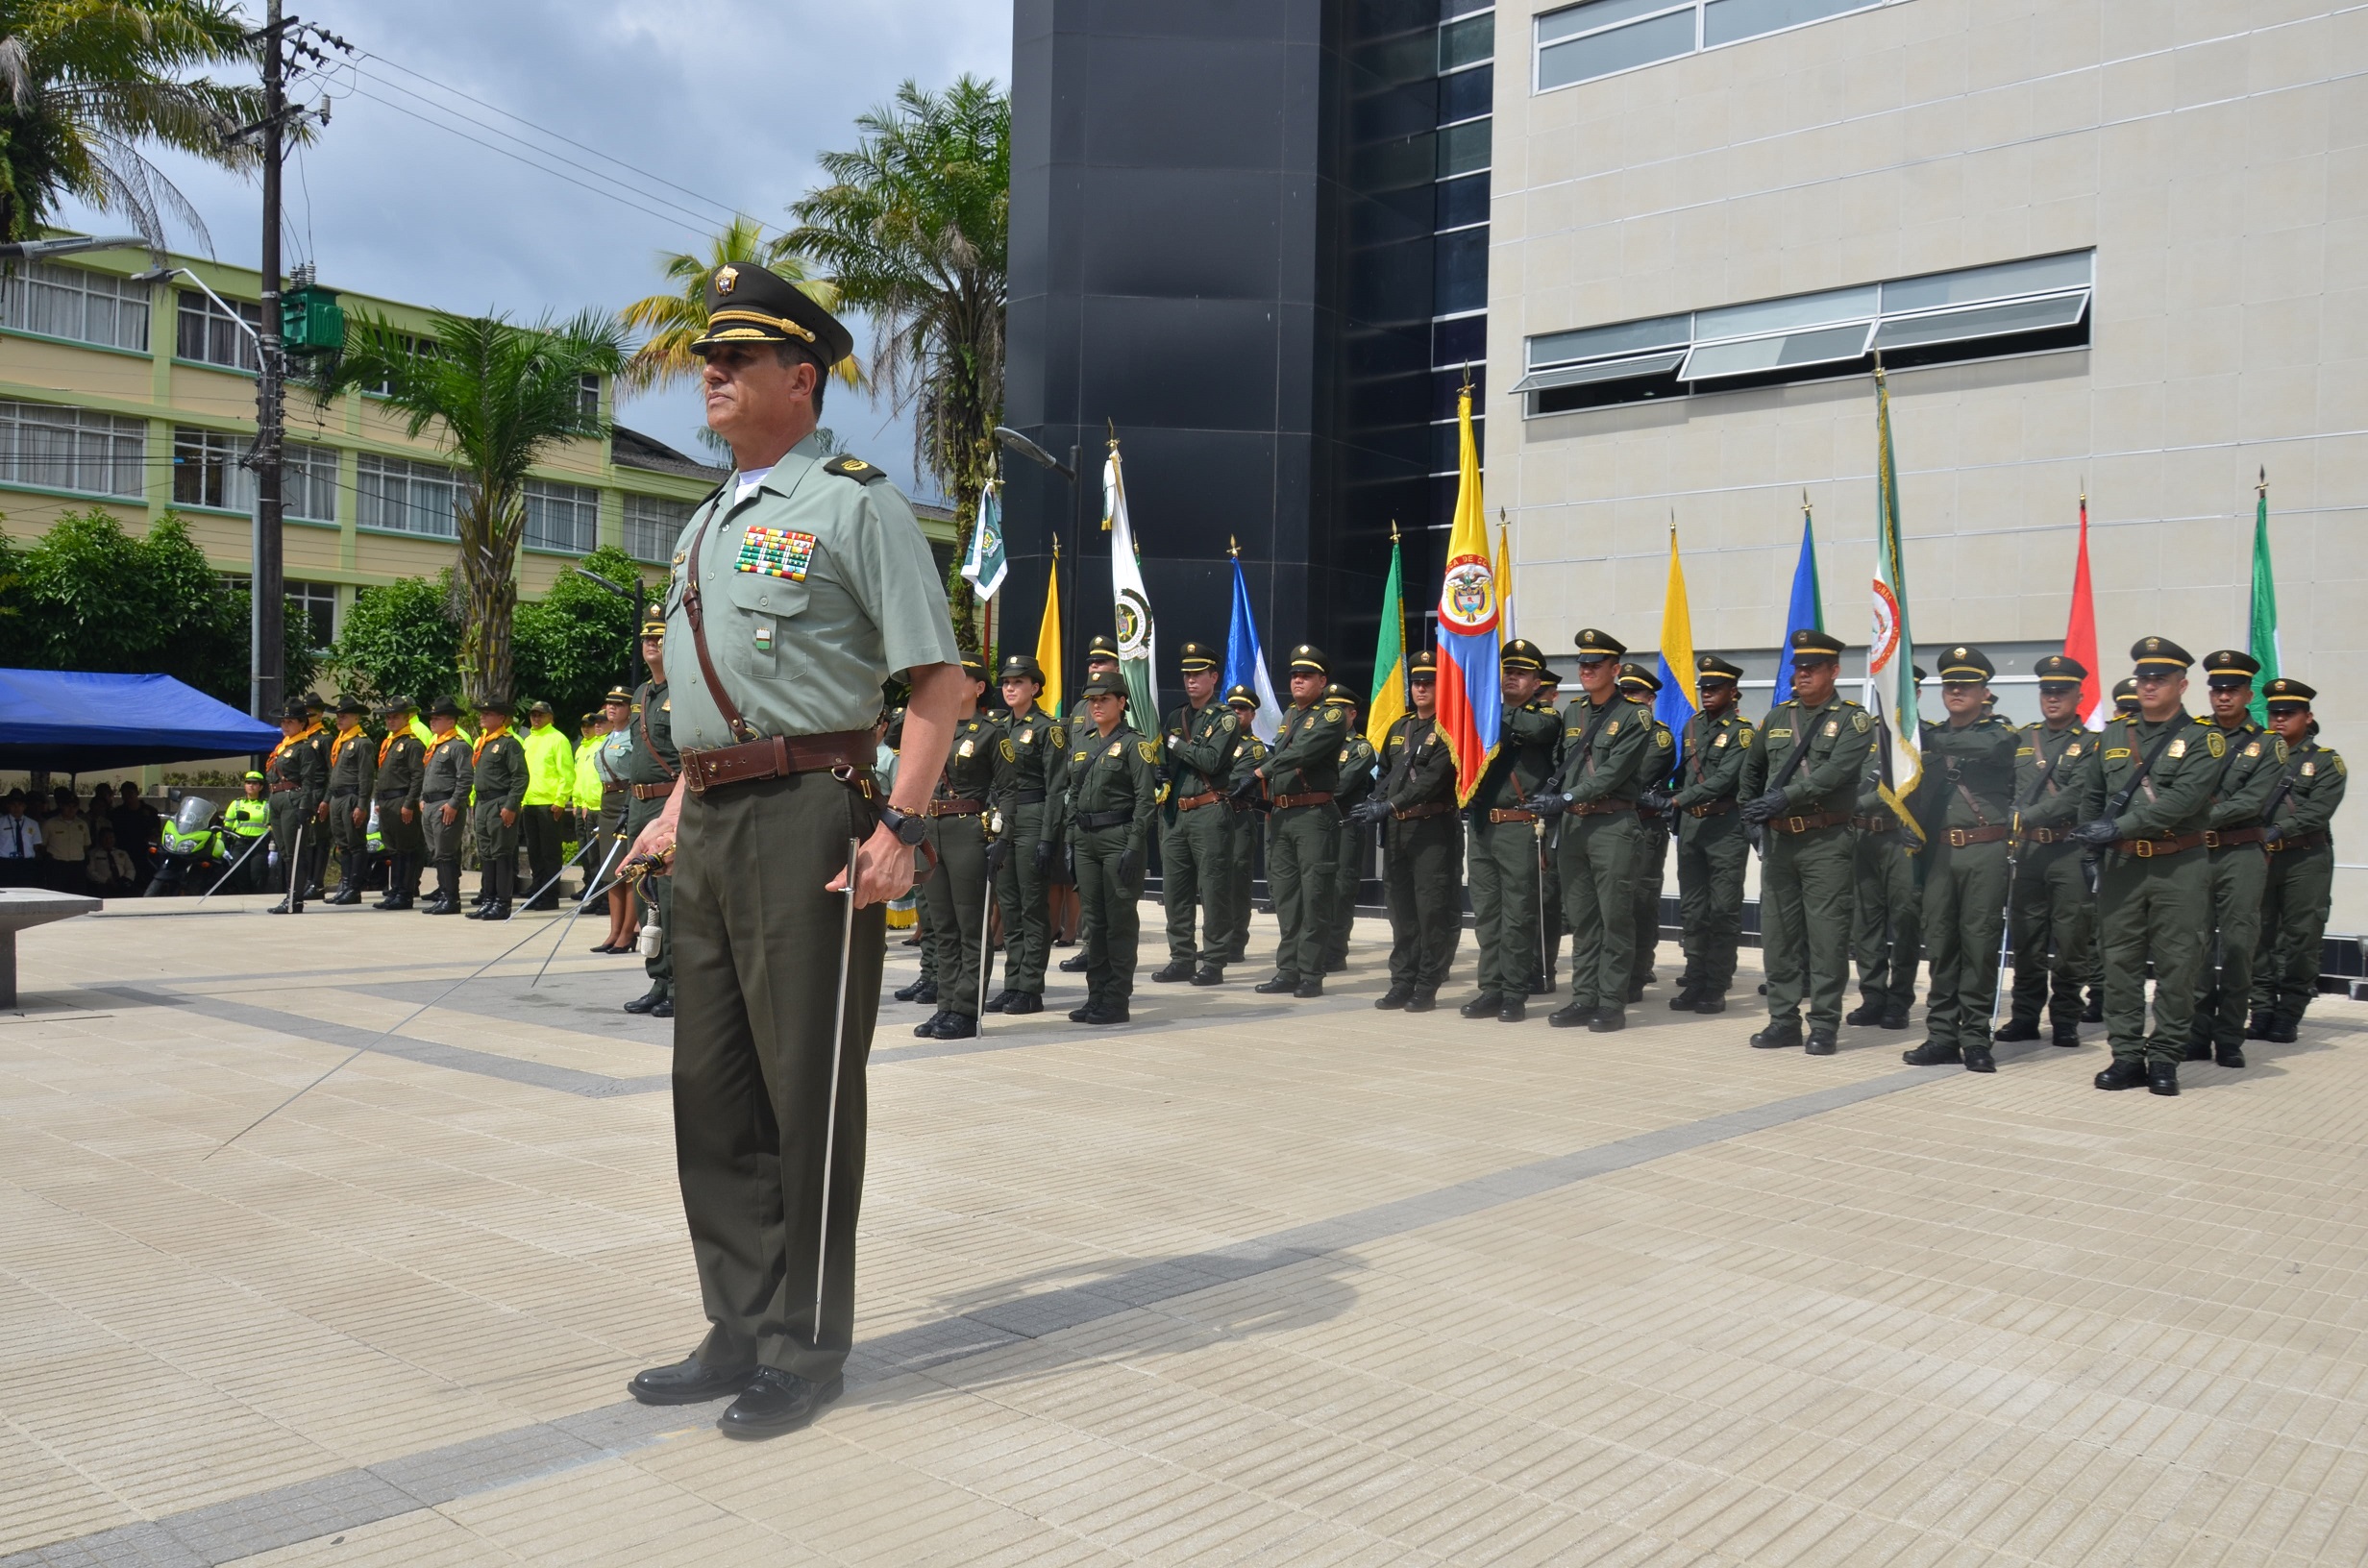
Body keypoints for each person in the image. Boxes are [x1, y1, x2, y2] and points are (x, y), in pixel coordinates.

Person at [620, 260, 963, 1440]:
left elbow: (938, 684)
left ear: (800, 379)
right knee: (710, 1091)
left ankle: (805, 1345)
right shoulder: (704, 520)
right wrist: (677, 801)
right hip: (712, 821)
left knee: (803, 1087)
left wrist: (902, 825)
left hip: (814, 809)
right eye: (708, 359)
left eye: (738, 358)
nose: (710, 374)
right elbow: (717, 697)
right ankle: (736, 1322)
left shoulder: (853, 505)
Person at [2067, 637, 2219, 1096]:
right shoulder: (2115, 735)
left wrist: (2117, 827)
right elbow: (2093, 795)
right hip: (2122, 866)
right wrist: (2089, 850)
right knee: (2120, 964)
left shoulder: (2204, 739)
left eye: (2160, 679)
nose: (2149, 686)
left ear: (2182, 685)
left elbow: (2181, 801)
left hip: (2179, 865)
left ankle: (2166, 1057)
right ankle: (2127, 1055)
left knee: (2178, 966)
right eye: (2143, 678)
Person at [1743, 628, 1876, 1056]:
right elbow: (1752, 768)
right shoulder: (1777, 717)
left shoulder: (1854, 720)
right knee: (1778, 935)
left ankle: (1823, 1024)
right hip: (1779, 842)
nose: (1802, 674)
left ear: (1834, 671)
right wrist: (1748, 813)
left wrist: (1785, 797)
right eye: (1798, 667)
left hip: (1825, 841)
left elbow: (1834, 774)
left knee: (1826, 937)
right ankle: (1783, 1020)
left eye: (1812, 668)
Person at [1898, 647, 2019, 1073]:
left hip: (1983, 850)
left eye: (1966, 685)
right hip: (1939, 853)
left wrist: (1925, 739)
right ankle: (1942, 1036)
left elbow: (1989, 748)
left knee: (1979, 946)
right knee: (1942, 946)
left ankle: (1976, 1038)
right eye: (1950, 684)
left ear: (1985, 692)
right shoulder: (1928, 740)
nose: (1957, 691)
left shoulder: (2000, 733)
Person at [1525, 631, 1653, 1032]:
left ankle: (1611, 1002)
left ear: (1615, 670)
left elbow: (1613, 772)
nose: (1587, 671)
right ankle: (1584, 997)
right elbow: (1563, 765)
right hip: (1574, 825)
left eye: (1596, 665)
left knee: (1614, 918)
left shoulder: (1635, 716)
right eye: (1583, 665)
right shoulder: (1573, 712)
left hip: (1612, 824)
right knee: (1582, 919)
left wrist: (1565, 798)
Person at [1995, 654, 2101, 1047]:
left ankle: (2066, 1018)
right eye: (2047, 691)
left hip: (2067, 851)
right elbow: (2005, 788)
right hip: (2027, 852)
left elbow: (2077, 795)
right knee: (2027, 939)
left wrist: (2025, 815)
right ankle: (2024, 1017)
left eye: (2062, 691)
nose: (2053, 698)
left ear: (2079, 696)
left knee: (2071, 940)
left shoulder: (2092, 744)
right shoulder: (2022, 739)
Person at [1460, 639, 1564, 1023]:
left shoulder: (1545, 716)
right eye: (1507, 672)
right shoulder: (1485, 714)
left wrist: (1484, 702)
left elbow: (1535, 729)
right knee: (1487, 914)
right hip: (1482, 826)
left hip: (1520, 827)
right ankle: (1491, 987)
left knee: (1518, 914)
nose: (1511, 678)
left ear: (1537, 683)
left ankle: (1515, 992)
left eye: (1521, 674)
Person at [2189, 649, 2284, 1066]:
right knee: (2194, 945)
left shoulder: (2268, 744)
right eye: (2217, 689)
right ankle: (2195, 1033)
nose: (2223, 696)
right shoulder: (2192, 736)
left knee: (2238, 947)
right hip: (2194, 853)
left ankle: (2229, 1037)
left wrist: (2192, 815)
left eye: (2232, 689)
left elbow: (2252, 800)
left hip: (2239, 852)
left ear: (2248, 694)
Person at [1245, 645, 1347, 999]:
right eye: (1294, 675)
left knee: (1315, 896)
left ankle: (1311, 974)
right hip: (1283, 814)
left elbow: (1301, 752)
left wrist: (1259, 771)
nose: (1298, 680)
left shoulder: (1331, 716)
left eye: (1306, 675)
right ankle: (1288, 969)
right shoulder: (1290, 713)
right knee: (1286, 897)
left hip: (1312, 815)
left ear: (1322, 680)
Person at [915, 658, 1007, 1041]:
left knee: (971, 926)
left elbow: (1010, 790)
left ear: (979, 688)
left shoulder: (990, 732)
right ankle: (946, 1004)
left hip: (968, 830)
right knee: (943, 925)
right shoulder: (936, 728)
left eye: (961, 679)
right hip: (932, 829)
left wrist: (1002, 838)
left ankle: (967, 1010)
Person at [1060, 672, 1160, 1023]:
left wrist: (1134, 845)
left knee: (1119, 921)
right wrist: (1070, 839)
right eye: (1092, 700)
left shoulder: (1135, 745)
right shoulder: (1084, 743)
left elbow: (1146, 801)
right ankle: (1096, 996)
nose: (1097, 705)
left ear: (1121, 702)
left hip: (1118, 836)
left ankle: (1116, 1000)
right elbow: (1073, 794)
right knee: (1096, 922)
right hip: (1086, 839)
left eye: (1104, 699)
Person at [2250, 678, 2345, 1045]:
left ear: (2307, 717)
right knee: (2258, 936)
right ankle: (2261, 1010)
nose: (2279, 719)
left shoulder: (2325, 761)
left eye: (2289, 713)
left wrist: (2279, 829)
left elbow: (2318, 810)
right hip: (2260, 857)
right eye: (2274, 712)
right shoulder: (2255, 757)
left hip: (2305, 858)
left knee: (2301, 938)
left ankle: (2288, 1014)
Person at [1367, 650, 1460, 1011]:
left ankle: (1427, 984)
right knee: (1401, 911)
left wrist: (1389, 805)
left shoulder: (1449, 730)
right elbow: (1385, 773)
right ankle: (1402, 981)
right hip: (1396, 830)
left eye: (1429, 683)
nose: (1421, 688)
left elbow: (1431, 781)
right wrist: (1376, 802)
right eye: (1417, 682)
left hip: (1430, 828)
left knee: (1431, 910)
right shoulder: (1399, 728)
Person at [1153, 642, 1245, 986]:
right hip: (1176, 813)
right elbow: (1167, 761)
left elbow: (1210, 761)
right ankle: (1181, 958)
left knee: (1213, 889)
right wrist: (1160, 770)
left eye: (1198, 674)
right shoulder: (1175, 716)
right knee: (1175, 892)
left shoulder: (1225, 718)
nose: (1191, 680)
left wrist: (1172, 743)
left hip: (1208, 809)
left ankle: (1215, 961)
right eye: (1187, 675)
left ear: (1213, 677)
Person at [1669, 654, 1755, 1014]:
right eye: (1703, 687)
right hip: (1692, 826)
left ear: (1732, 692)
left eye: (1714, 688)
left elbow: (1723, 780)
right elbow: (1685, 773)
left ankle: (1716, 985)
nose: (1706, 693)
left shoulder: (1743, 732)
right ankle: (1695, 979)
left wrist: (1677, 800)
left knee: (1722, 910)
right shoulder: (1692, 726)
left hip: (1724, 827)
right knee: (1693, 910)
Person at [986, 653, 1065, 1014]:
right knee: (1010, 905)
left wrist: (1048, 838)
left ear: (1035, 687)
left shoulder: (1048, 729)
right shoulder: (998, 727)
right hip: (1005, 818)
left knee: (1032, 906)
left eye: (1018, 682)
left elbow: (1056, 789)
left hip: (1033, 816)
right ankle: (1013, 982)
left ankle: (1030, 987)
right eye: (1006, 682)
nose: (1010, 688)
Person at [1847, 665, 1925, 1032]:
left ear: (1916, 695)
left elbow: (1904, 788)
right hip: (1863, 840)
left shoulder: (1921, 737)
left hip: (1900, 841)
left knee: (1906, 922)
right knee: (1866, 924)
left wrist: (1856, 805)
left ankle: (1899, 1000)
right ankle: (1873, 997)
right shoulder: (1862, 734)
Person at [617, 610, 681, 1012]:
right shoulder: (641, 694)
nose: (651, 643)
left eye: (659, 637)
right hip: (640, 803)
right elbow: (637, 756)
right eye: (646, 638)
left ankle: (679, 986)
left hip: (670, 803)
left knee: (671, 898)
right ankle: (658, 978)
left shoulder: (685, 688)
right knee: (645, 895)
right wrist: (628, 809)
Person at [1054, 634, 1126, 970]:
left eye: (1102, 661)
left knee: (1114, 891)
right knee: (1086, 884)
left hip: (1113, 805)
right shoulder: (1081, 707)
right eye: (1091, 662)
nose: (1094, 666)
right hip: (1080, 798)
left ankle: (1112, 954)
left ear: (1116, 666)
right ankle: (1090, 947)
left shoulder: (1126, 703)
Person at [1616, 662, 1677, 1004]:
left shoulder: (1658, 737)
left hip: (1644, 825)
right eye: (1623, 691)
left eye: (1634, 693)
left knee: (1641, 900)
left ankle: (1637, 973)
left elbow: (1632, 778)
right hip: (1612, 825)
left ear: (1650, 699)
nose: (1626, 697)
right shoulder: (1609, 729)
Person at [1322, 682, 1377, 974]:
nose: (1331, 716)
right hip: (1318, 825)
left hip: (1344, 826)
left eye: (1338, 710)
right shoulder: (1317, 742)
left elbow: (1339, 787)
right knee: (1317, 888)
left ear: (1352, 714)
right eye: (1328, 709)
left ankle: (1335, 952)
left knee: (1341, 889)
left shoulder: (1360, 748)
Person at [467, 698, 530, 921]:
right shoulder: (484, 742)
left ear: (501, 718)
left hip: (499, 802)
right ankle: (489, 900)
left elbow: (520, 777)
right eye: (482, 713)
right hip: (483, 803)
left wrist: (511, 805)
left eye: (488, 713)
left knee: (501, 853)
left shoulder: (508, 743)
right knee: (486, 854)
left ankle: (502, 903)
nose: (482, 717)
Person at [1221, 684, 1268, 968]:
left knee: (1237, 882)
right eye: (1233, 708)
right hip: (1214, 819)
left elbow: (1233, 781)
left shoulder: (1255, 748)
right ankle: (1217, 941)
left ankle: (1235, 943)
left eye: (1242, 709)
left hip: (1238, 819)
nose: (1237, 712)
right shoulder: (1217, 741)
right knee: (1216, 883)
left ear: (1252, 715)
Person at [265, 700, 328, 913]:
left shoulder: (305, 748)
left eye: (290, 721)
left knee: (295, 852)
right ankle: (289, 896)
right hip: (277, 798)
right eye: (283, 721)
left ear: (302, 723)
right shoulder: (283, 747)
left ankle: (295, 898)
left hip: (293, 799)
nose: (285, 725)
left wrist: (305, 805)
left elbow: (309, 780)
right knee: (285, 852)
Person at [586, 689, 637, 950]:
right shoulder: (608, 737)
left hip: (626, 800)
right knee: (611, 870)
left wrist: (629, 805)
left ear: (630, 709)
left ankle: (628, 933)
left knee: (627, 869)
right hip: (607, 803)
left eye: (619, 704)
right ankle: (614, 931)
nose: (612, 708)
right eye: (609, 704)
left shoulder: (635, 736)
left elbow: (636, 773)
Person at [417, 698, 475, 916]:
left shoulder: (459, 746)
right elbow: (428, 776)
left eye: (437, 718)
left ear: (451, 722)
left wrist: (454, 803)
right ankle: (443, 895)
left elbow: (465, 778)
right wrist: (422, 798)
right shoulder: (436, 745)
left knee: (445, 853)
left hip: (445, 805)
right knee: (437, 853)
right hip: (430, 804)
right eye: (431, 718)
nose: (432, 722)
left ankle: (451, 899)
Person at [518, 699, 575, 910]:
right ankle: (538, 889)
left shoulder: (558, 739)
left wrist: (560, 800)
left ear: (550, 717)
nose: (536, 718)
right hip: (530, 803)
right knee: (534, 851)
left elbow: (567, 773)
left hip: (549, 804)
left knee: (550, 853)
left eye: (540, 714)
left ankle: (550, 895)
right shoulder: (528, 740)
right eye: (533, 714)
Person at [373, 697, 428, 910]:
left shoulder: (412, 744)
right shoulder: (390, 742)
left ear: (407, 718)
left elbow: (417, 776)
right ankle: (395, 890)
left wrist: (409, 803)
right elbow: (383, 774)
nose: (390, 721)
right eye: (388, 717)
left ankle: (405, 892)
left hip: (401, 800)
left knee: (406, 849)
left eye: (395, 717)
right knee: (393, 849)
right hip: (387, 801)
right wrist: (379, 799)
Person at [322, 697, 376, 903]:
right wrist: (327, 799)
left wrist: (362, 804)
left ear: (356, 718)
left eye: (344, 716)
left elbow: (365, 776)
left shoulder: (362, 742)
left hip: (352, 796)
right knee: (342, 844)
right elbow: (334, 775)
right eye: (338, 716)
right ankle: (344, 886)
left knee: (355, 843)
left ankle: (354, 888)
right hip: (337, 797)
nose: (339, 719)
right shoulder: (341, 741)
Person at [1533, 667, 1566, 995]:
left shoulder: (1552, 721)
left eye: (1541, 694)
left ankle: (1543, 969)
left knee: (1546, 900)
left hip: (1548, 819)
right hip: (1521, 815)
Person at [221, 772, 273, 894]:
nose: (251, 786)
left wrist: (273, 850)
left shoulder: (267, 805)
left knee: (257, 877)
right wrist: (224, 847)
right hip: (240, 844)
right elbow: (227, 827)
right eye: (248, 783)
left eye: (255, 783)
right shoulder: (236, 804)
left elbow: (273, 827)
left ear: (261, 787)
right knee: (240, 876)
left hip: (259, 845)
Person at [40, 788, 91, 894]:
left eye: (74, 806)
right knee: (56, 894)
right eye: (68, 806)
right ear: (61, 806)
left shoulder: (82, 824)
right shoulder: (50, 824)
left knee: (78, 895)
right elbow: (42, 845)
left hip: (77, 865)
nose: (71, 809)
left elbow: (86, 845)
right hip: (57, 865)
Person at [0, 789, 41, 885]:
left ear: (25, 806)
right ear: (8, 806)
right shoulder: (1, 822)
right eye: (13, 805)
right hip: (6, 863)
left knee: (26, 889)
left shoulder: (33, 824)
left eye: (20, 805)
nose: (16, 808)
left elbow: (36, 844)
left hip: (26, 863)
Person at [85, 825, 136, 894]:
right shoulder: (92, 853)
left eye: (111, 837)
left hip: (123, 884)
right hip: (102, 886)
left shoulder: (122, 853)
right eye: (105, 838)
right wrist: (106, 880)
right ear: (100, 839)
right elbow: (90, 872)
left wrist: (125, 880)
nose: (108, 840)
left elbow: (131, 869)